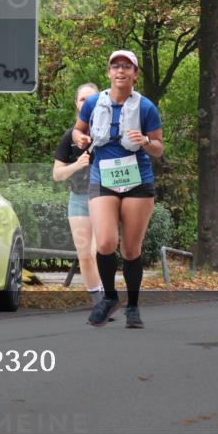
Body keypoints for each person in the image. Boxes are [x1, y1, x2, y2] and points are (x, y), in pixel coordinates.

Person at [72, 51, 163, 328]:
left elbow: (159, 148)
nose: (120, 71)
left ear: (135, 73)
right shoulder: (93, 103)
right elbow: (77, 131)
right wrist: (82, 138)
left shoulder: (146, 107)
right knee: (106, 243)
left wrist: (146, 140)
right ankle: (110, 297)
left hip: (137, 179)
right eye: (115, 66)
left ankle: (133, 306)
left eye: (126, 66)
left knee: (131, 249)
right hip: (103, 177)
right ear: (109, 73)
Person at [53, 83, 104, 305]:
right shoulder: (69, 137)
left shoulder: (109, 133)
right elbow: (57, 174)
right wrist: (78, 165)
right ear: (76, 104)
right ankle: (98, 298)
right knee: (84, 255)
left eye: (91, 99)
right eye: (82, 99)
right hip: (79, 199)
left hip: (104, 198)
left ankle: (105, 298)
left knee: (97, 253)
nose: (86, 103)